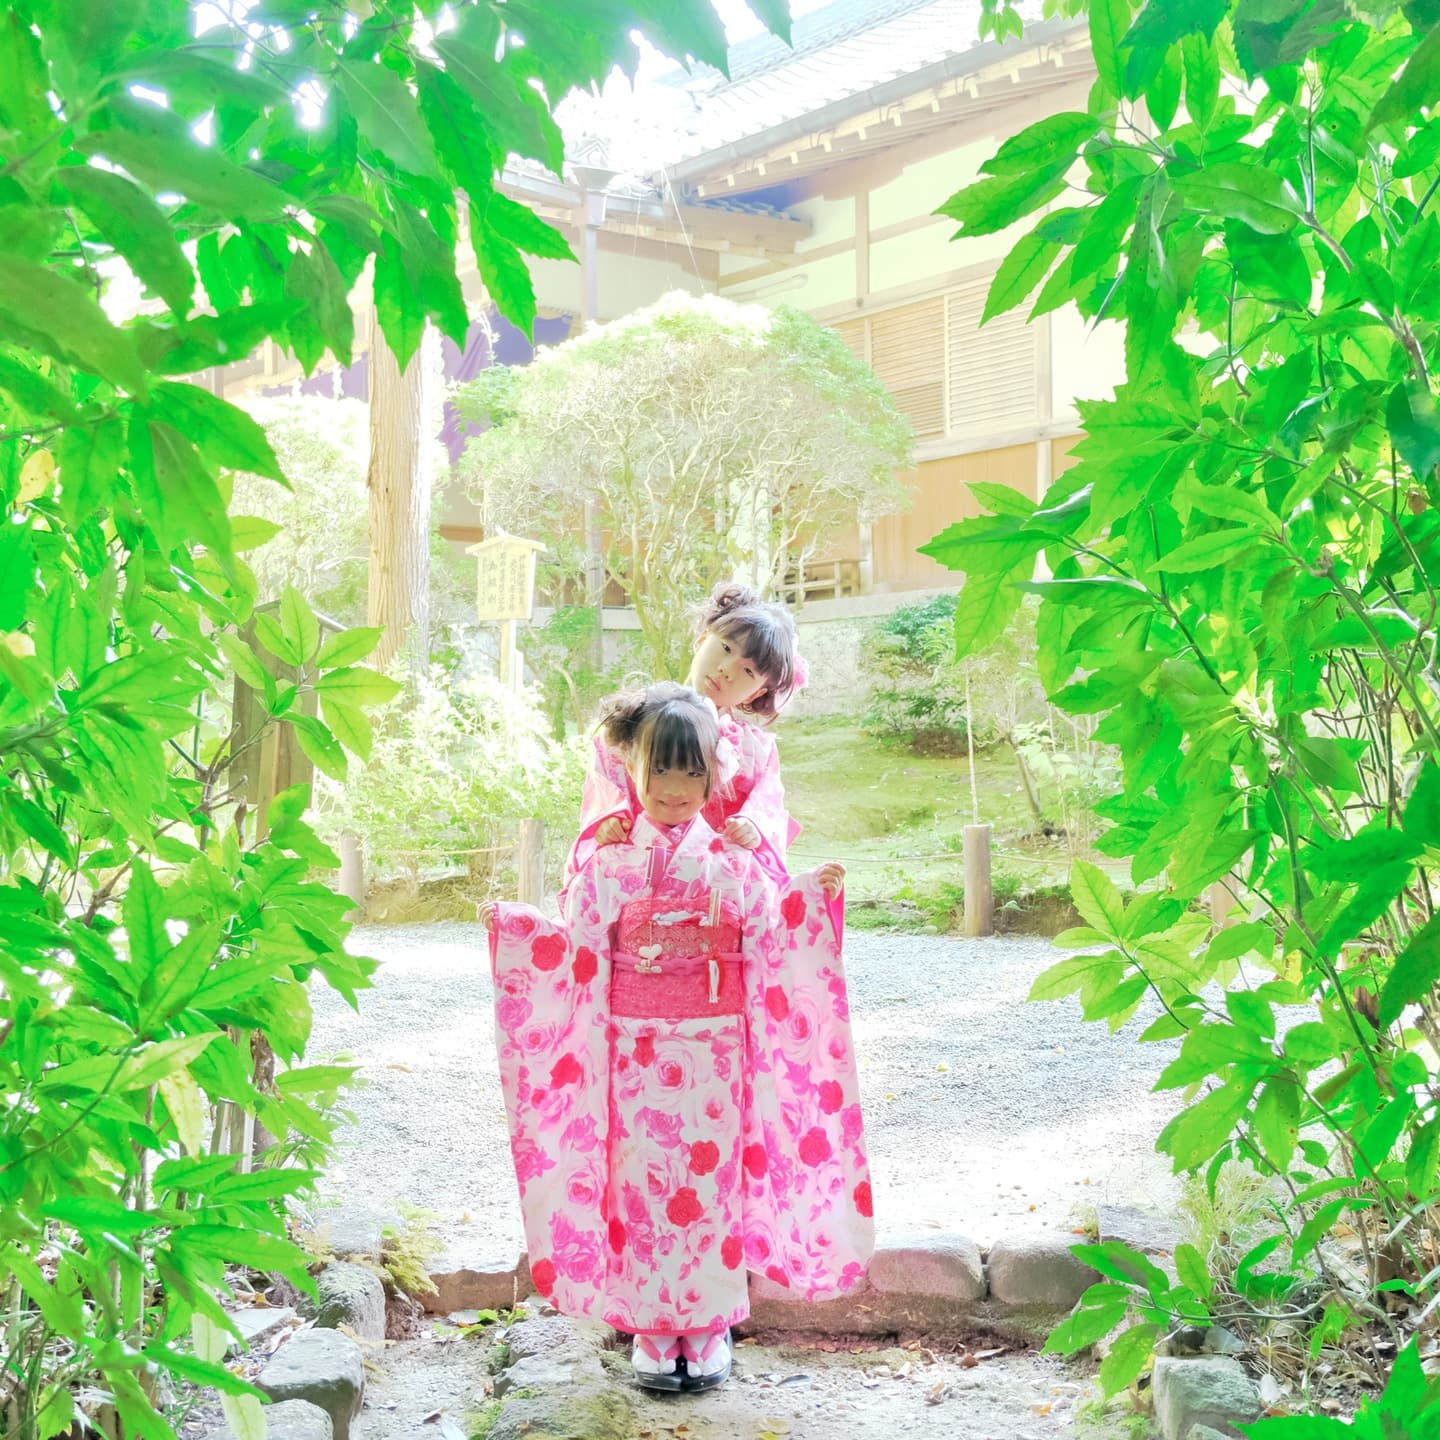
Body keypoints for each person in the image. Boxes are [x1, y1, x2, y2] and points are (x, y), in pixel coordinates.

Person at [480, 683, 872, 1393]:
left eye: (694, 772)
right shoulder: (609, 865)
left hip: (717, 1052)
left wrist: (811, 895)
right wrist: (516, 928)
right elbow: (576, 952)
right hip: (631, 1055)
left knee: (710, 1186)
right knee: (643, 1186)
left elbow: (772, 938)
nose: (675, 788)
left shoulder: (731, 861)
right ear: (632, 772)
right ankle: (654, 1329)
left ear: (714, 777)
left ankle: (713, 1324)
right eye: (661, 770)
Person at [561, 584, 804, 906]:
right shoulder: (638, 721)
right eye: (727, 648)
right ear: (703, 640)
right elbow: (606, 789)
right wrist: (610, 820)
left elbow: (769, 805)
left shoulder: (754, 751)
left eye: (747, 671)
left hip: (719, 895)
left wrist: (754, 824)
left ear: (757, 692)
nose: (726, 670)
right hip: (640, 883)